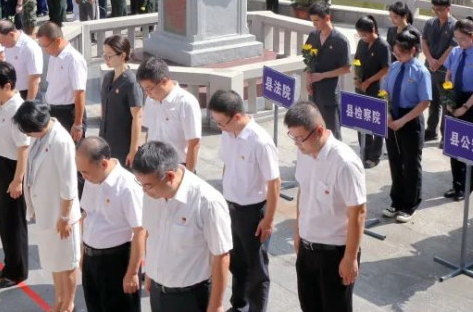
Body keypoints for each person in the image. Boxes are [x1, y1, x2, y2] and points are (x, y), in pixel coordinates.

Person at [131, 140, 232, 312]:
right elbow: (151, 235)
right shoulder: (151, 193)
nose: (144, 191)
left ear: (169, 176)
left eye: (148, 185)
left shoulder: (207, 202)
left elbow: (221, 255)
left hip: (190, 298)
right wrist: (150, 274)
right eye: (141, 184)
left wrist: (216, 305)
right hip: (157, 291)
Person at [285, 101, 366, 312]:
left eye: (300, 138)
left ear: (319, 130)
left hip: (334, 254)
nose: (297, 144)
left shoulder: (344, 163)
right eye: (292, 137)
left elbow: (358, 212)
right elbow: (303, 192)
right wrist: (298, 232)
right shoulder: (303, 153)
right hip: (307, 249)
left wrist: (350, 258)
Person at [210, 89, 280, 312]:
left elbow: (274, 182)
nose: (220, 127)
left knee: (257, 268)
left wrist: (268, 220)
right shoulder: (228, 133)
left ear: (237, 116)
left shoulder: (260, 141)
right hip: (231, 207)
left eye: (222, 122)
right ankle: (239, 305)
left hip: (253, 211)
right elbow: (227, 165)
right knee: (237, 262)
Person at [14, 101, 81, 312]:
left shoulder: (61, 141)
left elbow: (69, 184)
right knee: (54, 261)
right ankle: (59, 299)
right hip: (45, 211)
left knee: (67, 262)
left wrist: (64, 218)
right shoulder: (41, 135)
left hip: (61, 215)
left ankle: (68, 304)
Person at [76, 137, 145, 312]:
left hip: (116, 262)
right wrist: (84, 255)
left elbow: (140, 231)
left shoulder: (128, 187)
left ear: (104, 164)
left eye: (86, 172)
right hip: (92, 261)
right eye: (81, 173)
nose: (83, 177)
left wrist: (132, 273)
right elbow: (88, 216)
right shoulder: (93, 178)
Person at [0, 61, 31, 288]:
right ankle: (9, 264)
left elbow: (23, 148)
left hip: (11, 168)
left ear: (8, 86)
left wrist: (17, 180)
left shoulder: (18, 110)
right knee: (3, 219)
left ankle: (18, 270)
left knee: (13, 221)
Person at [380, 29, 432, 223]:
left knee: (411, 163)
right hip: (392, 116)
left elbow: (425, 102)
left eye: (400, 51)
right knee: (394, 159)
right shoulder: (394, 67)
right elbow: (384, 91)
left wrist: (403, 120)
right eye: (395, 51)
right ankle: (396, 201)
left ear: (412, 50)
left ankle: (410, 205)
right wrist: (388, 113)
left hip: (411, 120)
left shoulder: (421, 72)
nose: (397, 54)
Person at [441, 18, 473, 201]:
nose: (459, 42)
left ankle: (466, 187)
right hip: (455, 98)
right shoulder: (455, 52)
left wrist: (466, 106)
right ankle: (456, 184)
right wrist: (447, 96)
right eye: (457, 38)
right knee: (454, 144)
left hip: (471, 101)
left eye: (462, 38)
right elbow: (449, 73)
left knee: (469, 146)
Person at [137, 56, 202, 171]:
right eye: (144, 90)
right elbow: (150, 131)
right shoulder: (150, 100)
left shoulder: (186, 102)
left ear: (164, 81)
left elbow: (194, 143)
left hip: (178, 166)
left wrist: (189, 176)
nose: (147, 94)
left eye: (149, 88)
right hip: (154, 165)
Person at [304, 0, 352, 139]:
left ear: (327, 18)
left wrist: (323, 75)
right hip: (314, 93)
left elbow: (346, 68)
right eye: (312, 21)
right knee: (314, 129)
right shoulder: (313, 36)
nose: (314, 24)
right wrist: (308, 78)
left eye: (317, 21)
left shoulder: (340, 41)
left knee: (333, 133)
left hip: (330, 95)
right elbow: (308, 60)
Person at [37, 22, 88, 141]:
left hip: (69, 114)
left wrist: (78, 125)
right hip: (54, 112)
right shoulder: (54, 56)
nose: (45, 50)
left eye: (46, 46)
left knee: (71, 153)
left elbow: (80, 93)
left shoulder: (74, 60)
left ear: (58, 41)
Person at [98, 35, 144, 166]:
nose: (106, 59)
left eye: (109, 55)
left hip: (122, 145)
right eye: (104, 55)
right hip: (105, 141)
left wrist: (133, 149)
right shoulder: (108, 77)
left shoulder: (131, 82)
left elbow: (137, 117)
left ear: (122, 56)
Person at [353, 15, 391, 168]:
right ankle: (364, 150)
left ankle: (375, 155)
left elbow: (386, 68)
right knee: (362, 119)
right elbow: (356, 61)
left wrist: (369, 81)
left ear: (373, 30)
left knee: (376, 121)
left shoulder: (382, 46)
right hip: (361, 87)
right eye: (360, 34)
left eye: (365, 34)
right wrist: (356, 77)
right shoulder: (362, 44)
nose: (363, 37)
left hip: (376, 88)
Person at [421, 0, 457, 142]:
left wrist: (439, 62)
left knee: (446, 102)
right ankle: (431, 129)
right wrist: (430, 60)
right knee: (432, 100)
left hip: (445, 70)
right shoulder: (430, 23)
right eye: (434, 9)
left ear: (448, 8)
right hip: (430, 67)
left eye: (440, 9)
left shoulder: (455, 25)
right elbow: (424, 42)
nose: (437, 12)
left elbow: (452, 47)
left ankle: (445, 135)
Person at [0, 19, 44, 101]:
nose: (1, 45)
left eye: (2, 41)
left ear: (11, 35)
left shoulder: (30, 48)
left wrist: (29, 102)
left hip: (28, 93)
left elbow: (34, 78)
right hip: (13, 93)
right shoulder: (8, 45)